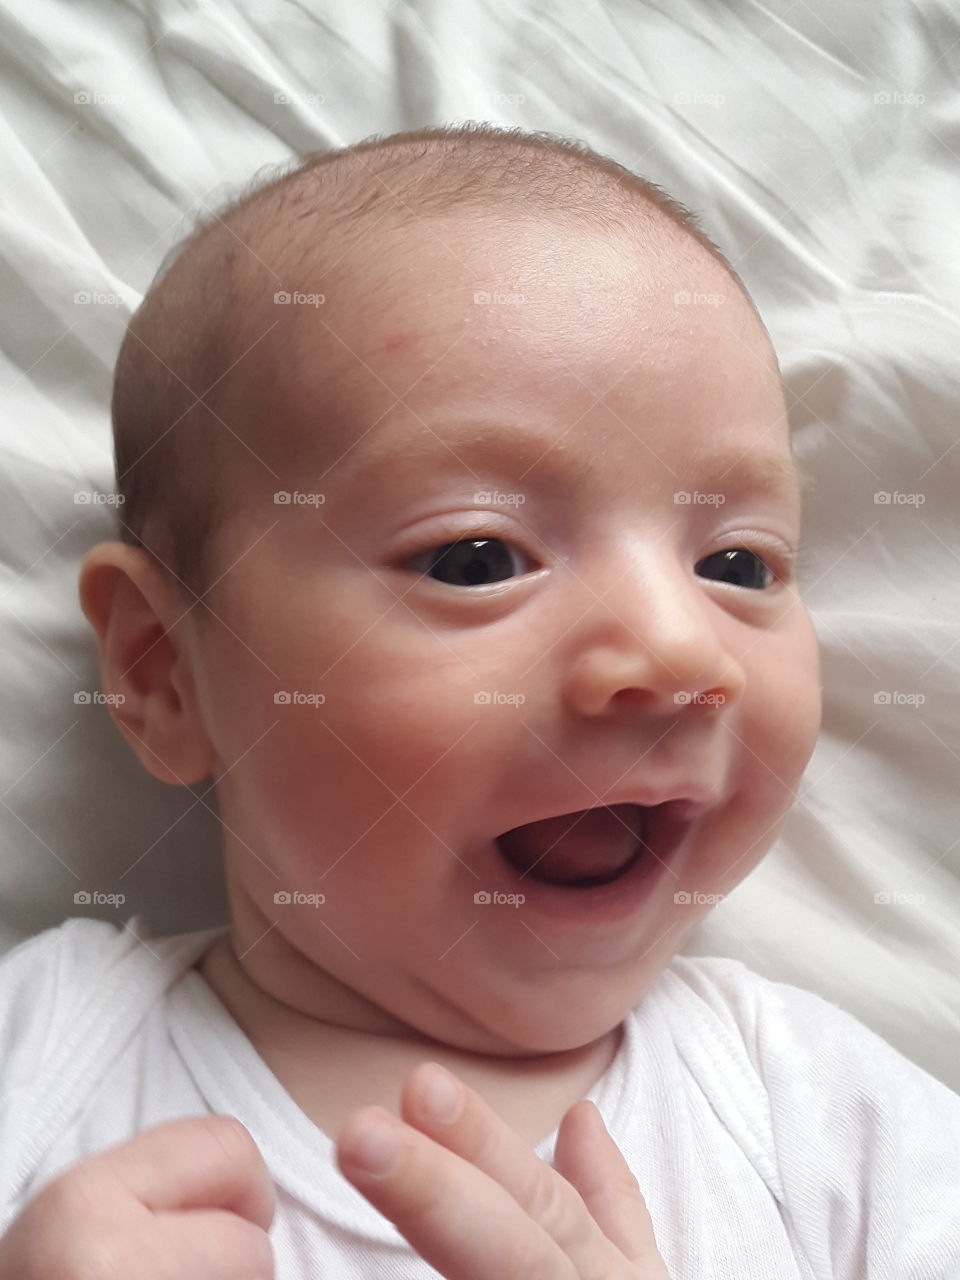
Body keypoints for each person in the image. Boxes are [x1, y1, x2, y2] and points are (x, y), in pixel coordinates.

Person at [0, 123, 956, 1279]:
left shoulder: (826, 1119)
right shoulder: (40, 1049)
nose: (674, 645)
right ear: (164, 670)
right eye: (475, 557)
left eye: (739, 564)